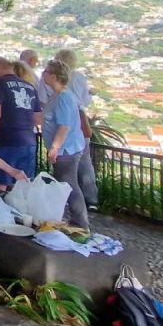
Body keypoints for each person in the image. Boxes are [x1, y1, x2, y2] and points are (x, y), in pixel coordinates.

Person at [41, 60, 91, 229]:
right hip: (67, 148)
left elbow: (64, 125)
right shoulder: (58, 95)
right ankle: (72, 219)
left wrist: (55, 147)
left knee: (69, 185)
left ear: (54, 76)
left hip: (66, 150)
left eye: (46, 72)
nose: (43, 74)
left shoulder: (63, 97)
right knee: (65, 184)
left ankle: (80, 222)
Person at [0, 56, 39, 192]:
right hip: (28, 142)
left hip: (4, 142)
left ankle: (0, 212)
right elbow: (37, 118)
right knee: (22, 187)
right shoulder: (30, 86)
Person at [55, 49, 98, 209]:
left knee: (63, 163)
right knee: (85, 161)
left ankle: (65, 198)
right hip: (80, 120)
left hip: (62, 121)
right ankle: (91, 198)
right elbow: (85, 101)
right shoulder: (79, 77)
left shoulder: (56, 78)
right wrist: (90, 94)